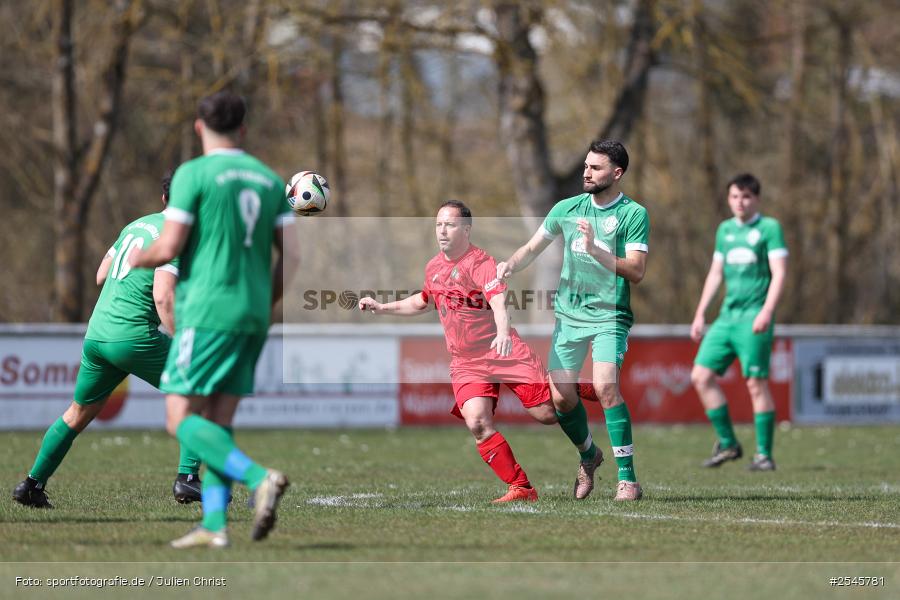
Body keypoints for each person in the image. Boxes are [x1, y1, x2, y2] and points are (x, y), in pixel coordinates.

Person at [130, 91, 297, 548]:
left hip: (206, 312)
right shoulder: (268, 179)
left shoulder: (193, 174)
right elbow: (293, 257)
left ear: (199, 128)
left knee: (178, 416)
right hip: (253, 315)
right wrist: (266, 302)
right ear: (243, 130)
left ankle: (259, 478)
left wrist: (140, 258)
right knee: (219, 422)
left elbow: (168, 248)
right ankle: (214, 525)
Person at [359, 200, 598, 503]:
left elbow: (499, 303)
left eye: (450, 224)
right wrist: (381, 307)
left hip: (502, 350)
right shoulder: (433, 267)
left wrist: (501, 332)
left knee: (548, 414)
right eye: (438, 225)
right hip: (466, 361)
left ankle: (572, 390)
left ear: (467, 229)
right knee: (477, 422)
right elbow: (422, 301)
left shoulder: (481, 263)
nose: (442, 230)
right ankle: (521, 488)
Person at [12, 173, 204, 508]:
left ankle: (31, 485)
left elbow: (102, 275)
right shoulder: (177, 236)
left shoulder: (136, 225)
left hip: (97, 335)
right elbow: (162, 296)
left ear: (163, 199)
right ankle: (187, 478)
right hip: (132, 336)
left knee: (78, 412)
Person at [497, 140, 649, 501]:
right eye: (585, 166)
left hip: (610, 317)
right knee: (562, 400)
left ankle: (628, 479)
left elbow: (638, 271)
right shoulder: (567, 208)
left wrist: (597, 250)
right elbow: (532, 248)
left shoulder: (633, 214)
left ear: (617, 173)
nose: (586, 172)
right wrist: (509, 266)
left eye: (595, 168)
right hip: (568, 318)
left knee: (606, 386)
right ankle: (589, 456)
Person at [690, 173, 788, 471]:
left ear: (756, 199)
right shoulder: (725, 230)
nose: (739, 202)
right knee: (700, 376)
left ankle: (764, 455)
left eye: (745, 196)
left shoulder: (769, 228)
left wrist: (767, 311)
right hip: (727, 318)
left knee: (755, 383)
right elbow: (716, 273)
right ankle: (729, 443)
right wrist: (700, 312)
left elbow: (780, 272)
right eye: (734, 196)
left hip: (754, 316)